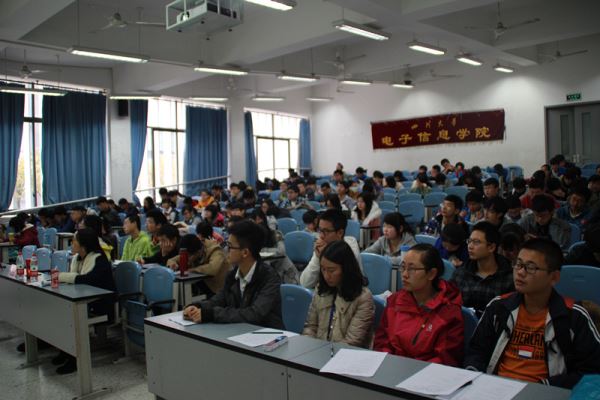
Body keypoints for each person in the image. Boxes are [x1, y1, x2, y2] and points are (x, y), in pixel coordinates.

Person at [465, 238, 600, 388]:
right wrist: (474, 377)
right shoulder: (499, 307)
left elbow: (592, 371)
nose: (520, 272)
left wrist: (547, 385)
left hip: (546, 392)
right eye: (518, 264)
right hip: (496, 388)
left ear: (554, 277)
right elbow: (476, 351)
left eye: (530, 267)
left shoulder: (574, 316)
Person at [374, 244, 464, 366]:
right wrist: (389, 364)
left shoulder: (449, 311)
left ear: (431, 274)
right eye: (403, 267)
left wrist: (411, 371)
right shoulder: (395, 301)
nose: (404, 274)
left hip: (427, 373)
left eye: (412, 269)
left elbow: (445, 358)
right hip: (391, 367)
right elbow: (382, 342)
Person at [183, 220, 283, 328]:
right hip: (241, 331)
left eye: (230, 246)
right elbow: (219, 300)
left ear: (245, 252)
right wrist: (197, 306)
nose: (226, 250)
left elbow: (254, 314)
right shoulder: (232, 275)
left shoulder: (270, 278)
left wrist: (211, 314)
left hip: (267, 333)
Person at [56, 228, 116, 374]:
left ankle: (73, 359)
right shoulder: (78, 258)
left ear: (84, 245)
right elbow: (76, 280)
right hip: (86, 300)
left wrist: (60, 276)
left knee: (70, 315)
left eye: (75, 241)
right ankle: (64, 350)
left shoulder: (99, 259)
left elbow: (86, 280)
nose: (72, 243)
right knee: (59, 308)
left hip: (101, 304)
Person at [302, 240, 374, 348]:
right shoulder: (321, 289)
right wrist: (309, 348)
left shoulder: (363, 298)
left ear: (346, 269)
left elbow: (352, 341)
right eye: (323, 269)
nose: (326, 275)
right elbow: (310, 327)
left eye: (331, 270)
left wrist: (326, 353)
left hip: (346, 354)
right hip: (318, 351)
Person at [451, 221, 514, 316]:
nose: (470, 246)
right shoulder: (462, 272)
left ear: (491, 247)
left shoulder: (508, 278)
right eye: (469, 241)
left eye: (476, 242)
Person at [300, 209, 363, 289]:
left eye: (326, 231)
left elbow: (349, 285)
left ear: (340, 233)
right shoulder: (324, 245)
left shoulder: (350, 248)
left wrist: (325, 255)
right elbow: (305, 283)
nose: (321, 236)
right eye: (320, 230)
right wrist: (317, 257)